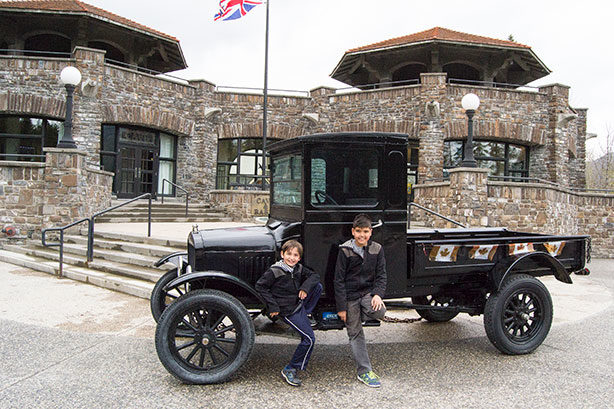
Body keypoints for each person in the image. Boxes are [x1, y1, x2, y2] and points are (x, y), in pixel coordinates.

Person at [255, 240, 322, 387]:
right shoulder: (275, 271)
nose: (291, 258)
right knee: (309, 339)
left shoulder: (298, 268)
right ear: (282, 254)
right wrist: (273, 307)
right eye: (289, 254)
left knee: (317, 286)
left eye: (295, 255)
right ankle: (290, 368)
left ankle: (307, 314)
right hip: (287, 309)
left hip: (297, 304)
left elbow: (315, 276)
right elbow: (260, 287)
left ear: (299, 258)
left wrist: (304, 287)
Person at [334, 213, 387, 388]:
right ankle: (364, 371)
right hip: (350, 297)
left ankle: (359, 316)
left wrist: (377, 294)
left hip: (366, 294)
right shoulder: (345, 250)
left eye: (365, 231)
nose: (362, 235)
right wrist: (342, 308)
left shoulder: (377, 249)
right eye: (358, 231)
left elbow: (381, 276)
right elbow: (339, 280)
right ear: (353, 232)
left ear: (371, 232)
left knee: (380, 311)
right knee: (355, 333)